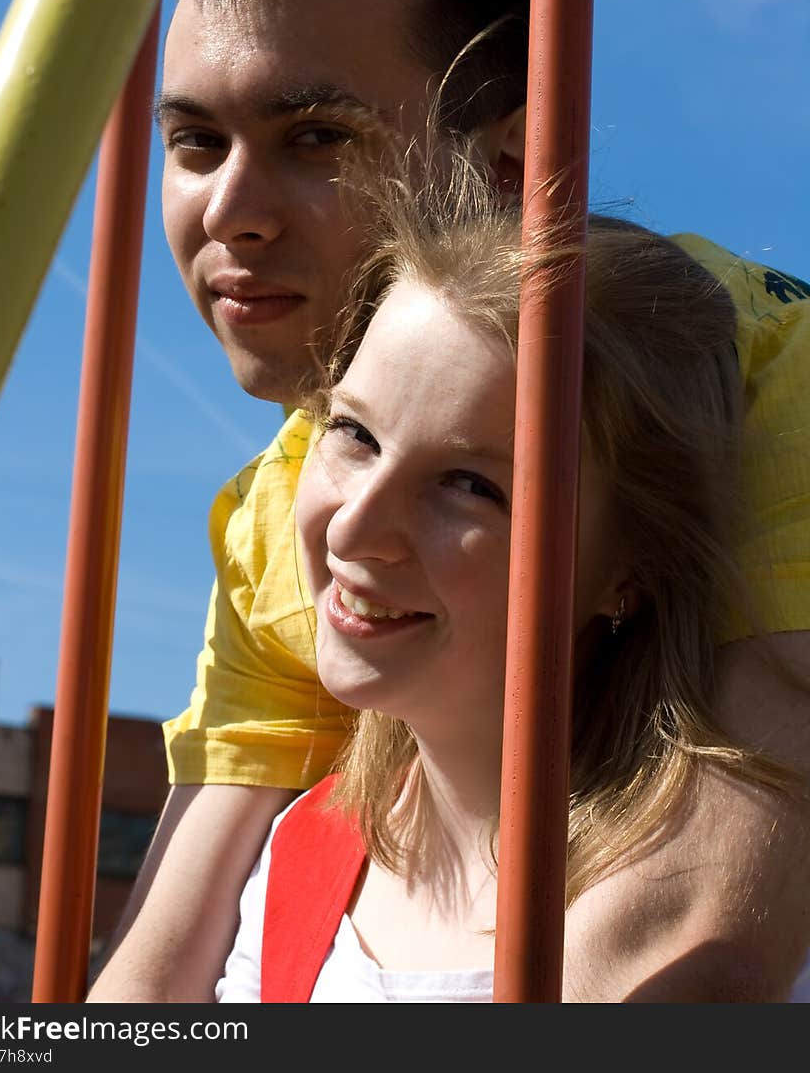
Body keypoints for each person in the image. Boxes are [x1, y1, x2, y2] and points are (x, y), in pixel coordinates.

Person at [86, 0, 810, 1003]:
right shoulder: (283, 494)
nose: (227, 210)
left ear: (515, 154)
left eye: (314, 135)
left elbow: (690, 949)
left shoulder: (765, 366)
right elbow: (154, 973)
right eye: (194, 143)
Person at [212, 161, 810, 1002]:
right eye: (353, 433)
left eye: (471, 485)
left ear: (629, 568)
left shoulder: (763, 932)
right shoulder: (293, 859)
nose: (354, 528)